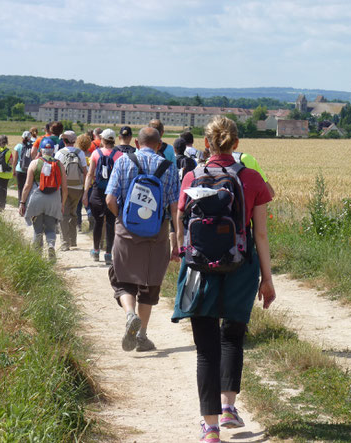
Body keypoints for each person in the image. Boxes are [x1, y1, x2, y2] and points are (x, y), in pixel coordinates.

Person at [171, 116, 275, 443]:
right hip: (241, 266)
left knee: (205, 350)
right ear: (236, 144)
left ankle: (211, 428)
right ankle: (229, 406)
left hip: (200, 268)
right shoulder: (253, 178)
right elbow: (260, 234)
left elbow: (180, 218)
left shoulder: (191, 175)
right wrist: (267, 279)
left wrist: (181, 252)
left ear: (206, 143)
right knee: (232, 336)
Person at [105, 127, 180, 352]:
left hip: (127, 232)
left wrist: (121, 218)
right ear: (159, 145)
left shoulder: (123, 162)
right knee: (149, 284)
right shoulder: (169, 167)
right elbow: (175, 209)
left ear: (137, 143)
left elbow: (110, 198)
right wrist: (178, 241)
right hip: (156, 235)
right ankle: (142, 336)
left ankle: (130, 314)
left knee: (122, 279)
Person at [19, 139, 67, 259]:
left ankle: (36, 258)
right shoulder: (59, 164)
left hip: (37, 200)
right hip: (53, 200)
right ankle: (51, 245)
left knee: (37, 230)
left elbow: (27, 186)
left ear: (41, 149)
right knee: (51, 228)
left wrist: (22, 202)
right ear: (53, 150)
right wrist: (62, 204)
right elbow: (65, 188)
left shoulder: (34, 163)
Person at [83, 128, 122, 264]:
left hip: (97, 193)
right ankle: (108, 254)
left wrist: (85, 193)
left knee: (98, 223)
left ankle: (95, 251)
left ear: (102, 140)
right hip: (112, 193)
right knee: (111, 223)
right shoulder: (120, 155)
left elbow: (90, 174)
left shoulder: (95, 153)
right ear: (113, 140)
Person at [55, 130, 87, 250]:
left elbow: (56, 171)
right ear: (75, 141)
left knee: (64, 213)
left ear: (64, 141)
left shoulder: (59, 153)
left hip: (64, 187)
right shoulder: (81, 153)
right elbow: (85, 172)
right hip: (77, 187)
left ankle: (64, 243)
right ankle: (73, 241)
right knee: (73, 213)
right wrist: (84, 188)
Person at [75, 133, 93, 231]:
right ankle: (90, 216)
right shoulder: (91, 155)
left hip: (78, 182)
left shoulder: (77, 155)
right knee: (88, 203)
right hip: (89, 183)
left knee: (78, 205)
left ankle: (78, 225)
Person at [12, 131, 34, 203]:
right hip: (29, 170)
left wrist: (13, 170)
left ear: (22, 137)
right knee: (28, 188)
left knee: (20, 189)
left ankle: (20, 205)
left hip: (19, 169)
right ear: (30, 138)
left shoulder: (18, 146)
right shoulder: (32, 147)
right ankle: (27, 204)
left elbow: (15, 160)